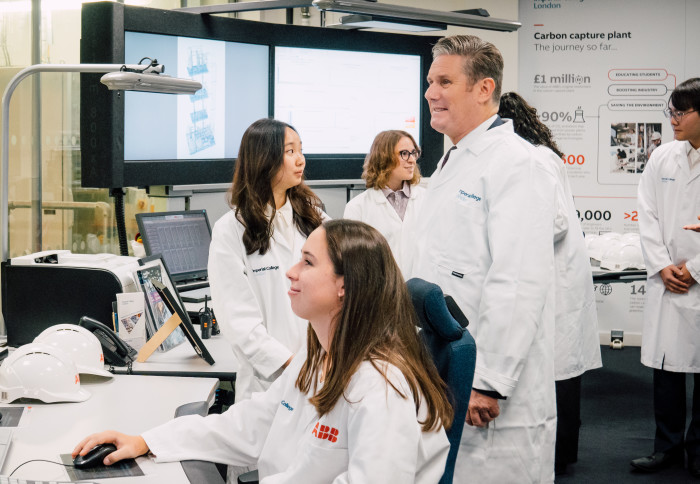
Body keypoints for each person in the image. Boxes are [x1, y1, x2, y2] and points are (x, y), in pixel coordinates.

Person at [73, 220, 453, 483]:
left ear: (345, 286)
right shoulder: (316, 357)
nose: (291, 271)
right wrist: (147, 441)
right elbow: (250, 425)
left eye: (307, 262)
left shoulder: (381, 387)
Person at [413, 35, 558, 482]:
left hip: (487, 382)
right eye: (430, 82)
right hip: (445, 360)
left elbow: (517, 280)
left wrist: (489, 379)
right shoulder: (453, 160)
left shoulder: (518, 163)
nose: (430, 93)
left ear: (483, 88)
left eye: (444, 82)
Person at [498, 91, 602, 475]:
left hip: (556, 278)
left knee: (557, 371)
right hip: (560, 275)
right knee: (560, 368)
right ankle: (561, 453)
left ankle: (558, 455)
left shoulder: (535, 159)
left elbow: (554, 222)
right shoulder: (542, 154)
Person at [207, 118, 325, 404]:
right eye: (290, 151)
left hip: (321, 374)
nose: (301, 159)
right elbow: (238, 321)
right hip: (268, 385)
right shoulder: (231, 230)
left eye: (301, 150)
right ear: (264, 159)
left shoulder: (315, 218)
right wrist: (294, 367)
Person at [632, 78, 700, 478]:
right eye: (670, 112)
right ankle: (667, 447)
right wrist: (661, 265)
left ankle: (698, 450)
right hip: (667, 278)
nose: (673, 120)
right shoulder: (662, 157)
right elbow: (647, 213)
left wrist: (694, 269)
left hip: (696, 277)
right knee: (666, 370)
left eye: (682, 112)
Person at [343, 130, 425, 276]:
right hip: (380, 288)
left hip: (421, 286)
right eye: (404, 153)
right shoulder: (357, 208)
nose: (412, 160)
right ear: (383, 158)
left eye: (414, 153)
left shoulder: (427, 199)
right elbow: (354, 263)